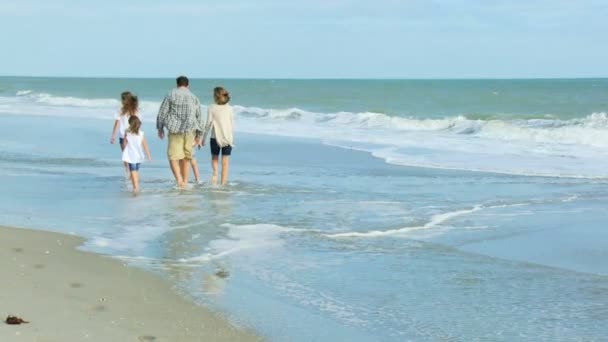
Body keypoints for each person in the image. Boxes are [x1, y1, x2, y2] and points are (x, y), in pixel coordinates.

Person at [156, 76, 204, 189]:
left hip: (174, 130)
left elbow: (162, 112)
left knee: (173, 156)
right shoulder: (194, 97)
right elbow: (199, 117)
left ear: (177, 84)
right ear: (188, 85)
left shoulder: (171, 94)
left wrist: (160, 128)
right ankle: (185, 182)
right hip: (190, 130)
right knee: (186, 156)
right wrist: (199, 135)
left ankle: (179, 180)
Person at [202, 87, 234, 185]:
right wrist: (232, 138)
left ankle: (215, 175)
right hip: (227, 138)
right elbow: (232, 124)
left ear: (215, 96)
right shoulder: (229, 108)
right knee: (225, 162)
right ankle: (223, 183)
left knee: (215, 158)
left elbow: (208, 124)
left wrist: (203, 138)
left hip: (215, 137)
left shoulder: (211, 107)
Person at [110, 92, 140, 176]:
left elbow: (117, 123)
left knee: (125, 155)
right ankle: (133, 172)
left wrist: (113, 136)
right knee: (132, 154)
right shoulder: (135, 109)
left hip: (124, 135)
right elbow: (137, 122)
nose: (121, 100)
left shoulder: (120, 109)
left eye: (122, 99)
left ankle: (128, 172)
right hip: (133, 134)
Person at [122, 116, 152, 193]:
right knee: (135, 171)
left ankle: (135, 187)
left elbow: (125, 143)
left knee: (133, 171)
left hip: (131, 155)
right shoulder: (141, 133)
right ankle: (136, 186)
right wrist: (149, 156)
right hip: (138, 155)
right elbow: (145, 145)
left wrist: (124, 152)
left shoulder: (127, 132)